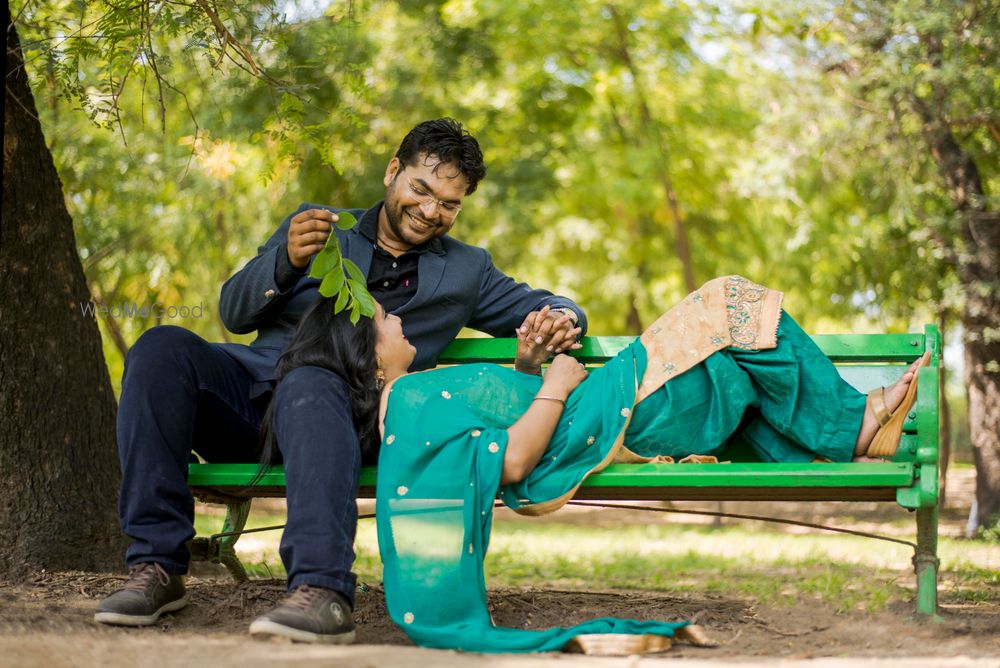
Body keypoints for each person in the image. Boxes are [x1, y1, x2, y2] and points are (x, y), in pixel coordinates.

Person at [94, 119, 587, 643]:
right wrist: (285, 260)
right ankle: (155, 569)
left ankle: (322, 591)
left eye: (449, 203)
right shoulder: (319, 230)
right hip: (255, 400)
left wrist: (561, 316)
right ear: (393, 171)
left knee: (312, 381)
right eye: (421, 189)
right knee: (159, 349)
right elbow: (234, 311)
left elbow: (551, 304)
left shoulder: (467, 270)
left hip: (354, 418)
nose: (429, 211)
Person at [258, 274, 928, 653]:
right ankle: (857, 426)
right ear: (366, 353)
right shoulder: (410, 400)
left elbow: (504, 417)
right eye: (382, 318)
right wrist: (555, 382)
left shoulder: (417, 394)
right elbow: (515, 458)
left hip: (616, 408)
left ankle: (854, 428)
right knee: (731, 301)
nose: (398, 319)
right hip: (620, 409)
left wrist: (531, 370)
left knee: (738, 357)